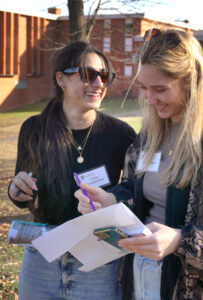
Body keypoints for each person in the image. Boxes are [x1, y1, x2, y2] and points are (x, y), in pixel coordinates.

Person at [75, 29, 203, 300]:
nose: (148, 100)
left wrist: (179, 242)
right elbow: (137, 190)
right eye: (144, 89)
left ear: (192, 82)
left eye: (160, 89)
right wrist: (111, 200)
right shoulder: (149, 136)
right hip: (140, 274)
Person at [8, 41, 136, 300]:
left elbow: (135, 192)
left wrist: (112, 200)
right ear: (61, 79)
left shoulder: (121, 134)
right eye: (88, 74)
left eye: (104, 76)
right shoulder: (34, 129)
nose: (99, 84)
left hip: (98, 259)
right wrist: (16, 191)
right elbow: (24, 193)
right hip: (44, 255)